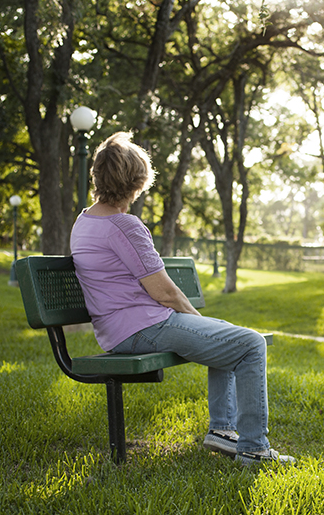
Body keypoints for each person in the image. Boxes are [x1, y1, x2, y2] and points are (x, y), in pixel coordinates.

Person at [70, 132, 294, 466]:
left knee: (228, 336)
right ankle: (254, 449)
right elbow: (166, 293)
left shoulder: (84, 221)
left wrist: (203, 326)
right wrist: (197, 322)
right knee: (250, 344)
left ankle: (222, 432)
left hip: (120, 329)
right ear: (136, 182)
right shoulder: (124, 226)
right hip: (142, 328)